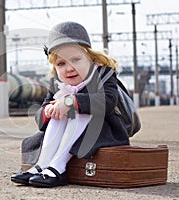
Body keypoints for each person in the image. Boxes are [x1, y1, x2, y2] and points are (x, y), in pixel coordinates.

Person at [11, 21, 129, 188]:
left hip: (103, 130)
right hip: (65, 131)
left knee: (78, 109)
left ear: (90, 57)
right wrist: (49, 110)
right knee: (58, 111)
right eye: (61, 63)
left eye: (76, 59)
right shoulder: (57, 83)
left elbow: (107, 102)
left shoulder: (104, 73)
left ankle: (58, 167)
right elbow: (40, 120)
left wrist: (71, 101)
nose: (69, 68)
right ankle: (42, 165)